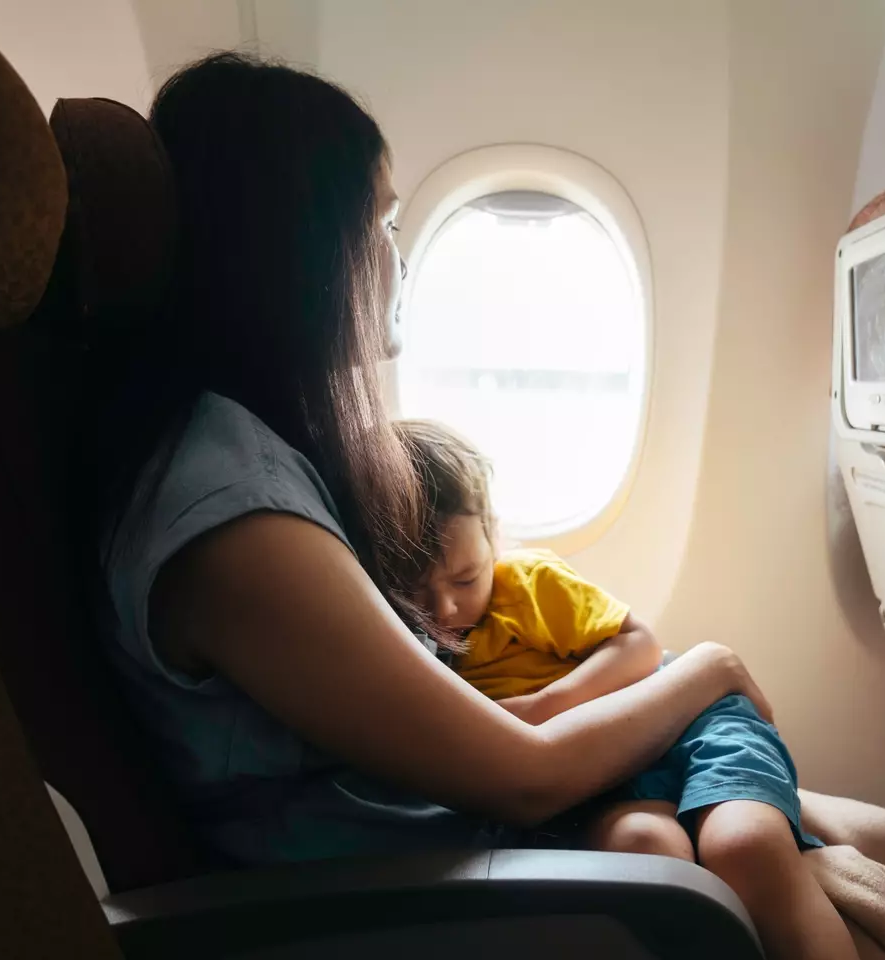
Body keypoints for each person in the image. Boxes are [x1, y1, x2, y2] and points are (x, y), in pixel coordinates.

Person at [92, 53, 773, 868]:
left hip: (457, 851)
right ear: (300, 249)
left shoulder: (252, 454)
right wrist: (708, 668)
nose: (398, 258)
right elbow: (527, 777)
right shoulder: (236, 516)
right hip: (411, 902)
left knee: (841, 854)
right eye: (380, 225)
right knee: (782, 870)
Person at [398, 420, 857, 960]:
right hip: (604, 776)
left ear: (493, 534)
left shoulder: (525, 586)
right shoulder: (402, 646)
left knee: (746, 845)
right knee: (650, 853)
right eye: (415, 587)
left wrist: (543, 708)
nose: (445, 609)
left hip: (686, 720)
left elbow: (638, 646)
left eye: (465, 579)